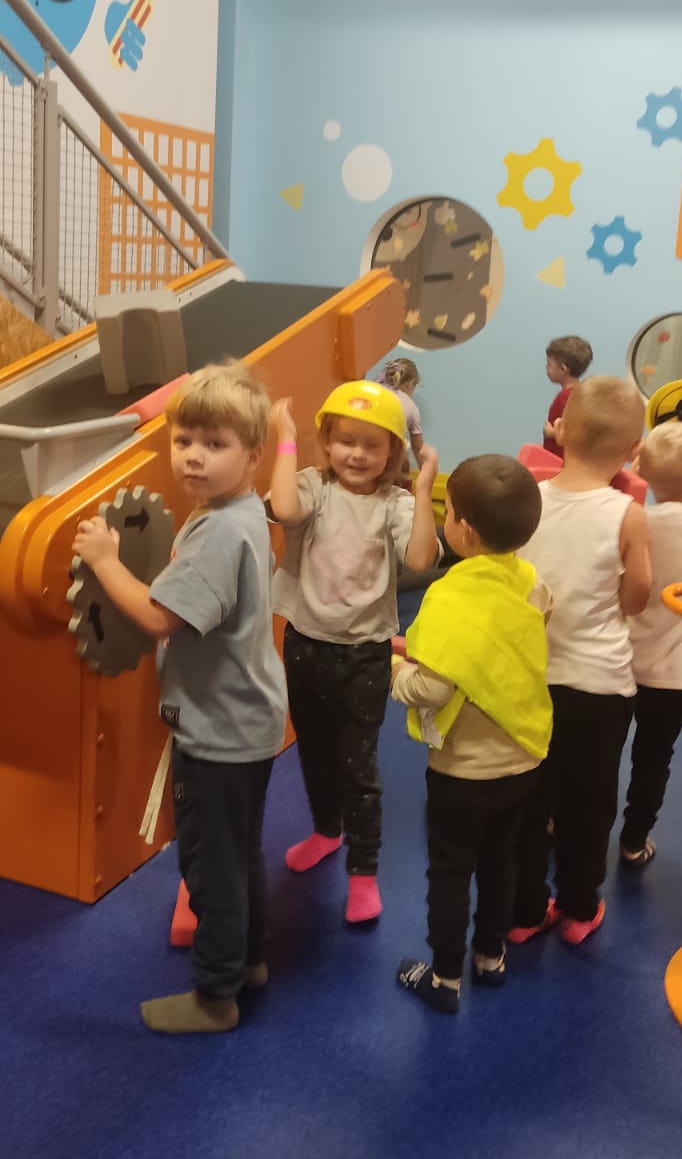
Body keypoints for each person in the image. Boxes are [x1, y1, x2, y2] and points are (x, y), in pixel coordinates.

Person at [72, 361, 287, 1035]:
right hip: (247, 720)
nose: (193, 456)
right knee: (239, 853)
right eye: (183, 440)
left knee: (210, 865)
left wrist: (105, 561)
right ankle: (248, 961)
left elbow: (159, 617)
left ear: (252, 455)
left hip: (219, 731)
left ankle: (215, 997)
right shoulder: (236, 512)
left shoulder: (219, 531)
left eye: (214, 444)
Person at [268, 380, 439, 924]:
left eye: (372, 444)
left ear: (392, 452)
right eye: (346, 441)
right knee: (314, 752)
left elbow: (420, 560)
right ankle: (326, 830)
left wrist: (424, 487)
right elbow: (283, 509)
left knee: (357, 766)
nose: (358, 454)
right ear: (326, 441)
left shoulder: (393, 503)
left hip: (364, 654)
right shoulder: (313, 487)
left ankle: (363, 870)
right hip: (304, 644)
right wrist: (285, 438)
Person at [391, 455, 553, 1015]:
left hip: (464, 770)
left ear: (461, 528)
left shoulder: (449, 597)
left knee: (451, 870)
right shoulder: (532, 582)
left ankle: (442, 978)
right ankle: (490, 957)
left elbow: (431, 690)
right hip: (523, 757)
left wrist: (396, 670)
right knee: (501, 859)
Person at [510, 376, 651, 946]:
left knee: (528, 800)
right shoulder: (627, 514)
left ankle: (523, 914)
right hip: (598, 686)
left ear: (560, 430)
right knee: (588, 804)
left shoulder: (527, 501)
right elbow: (637, 595)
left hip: (528, 679)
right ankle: (577, 910)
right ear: (634, 449)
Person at [620, 422, 682, 866]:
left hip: (618, 663)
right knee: (654, 758)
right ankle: (634, 840)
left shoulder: (631, 522)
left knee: (594, 751)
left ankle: (557, 819)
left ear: (642, 471)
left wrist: (631, 471)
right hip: (676, 676)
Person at [543, 334, 593, 456]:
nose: (546, 367)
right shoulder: (580, 393)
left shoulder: (565, 398)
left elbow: (575, 431)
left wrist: (551, 432)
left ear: (563, 369)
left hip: (559, 459)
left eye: (549, 364)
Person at [376, 357, 424, 470]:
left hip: (368, 453)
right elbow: (418, 447)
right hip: (391, 462)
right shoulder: (410, 406)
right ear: (411, 384)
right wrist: (425, 470)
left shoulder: (373, 392)